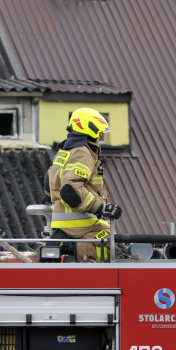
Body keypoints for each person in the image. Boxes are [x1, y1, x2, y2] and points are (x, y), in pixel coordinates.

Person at [47, 108, 122, 262]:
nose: (100, 138)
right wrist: (101, 208)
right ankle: (72, 248)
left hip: (62, 221)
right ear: (91, 131)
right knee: (118, 247)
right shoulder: (83, 152)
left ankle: (64, 244)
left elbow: (48, 185)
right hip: (80, 223)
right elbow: (70, 190)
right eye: (100, 133)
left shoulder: (64, 151)